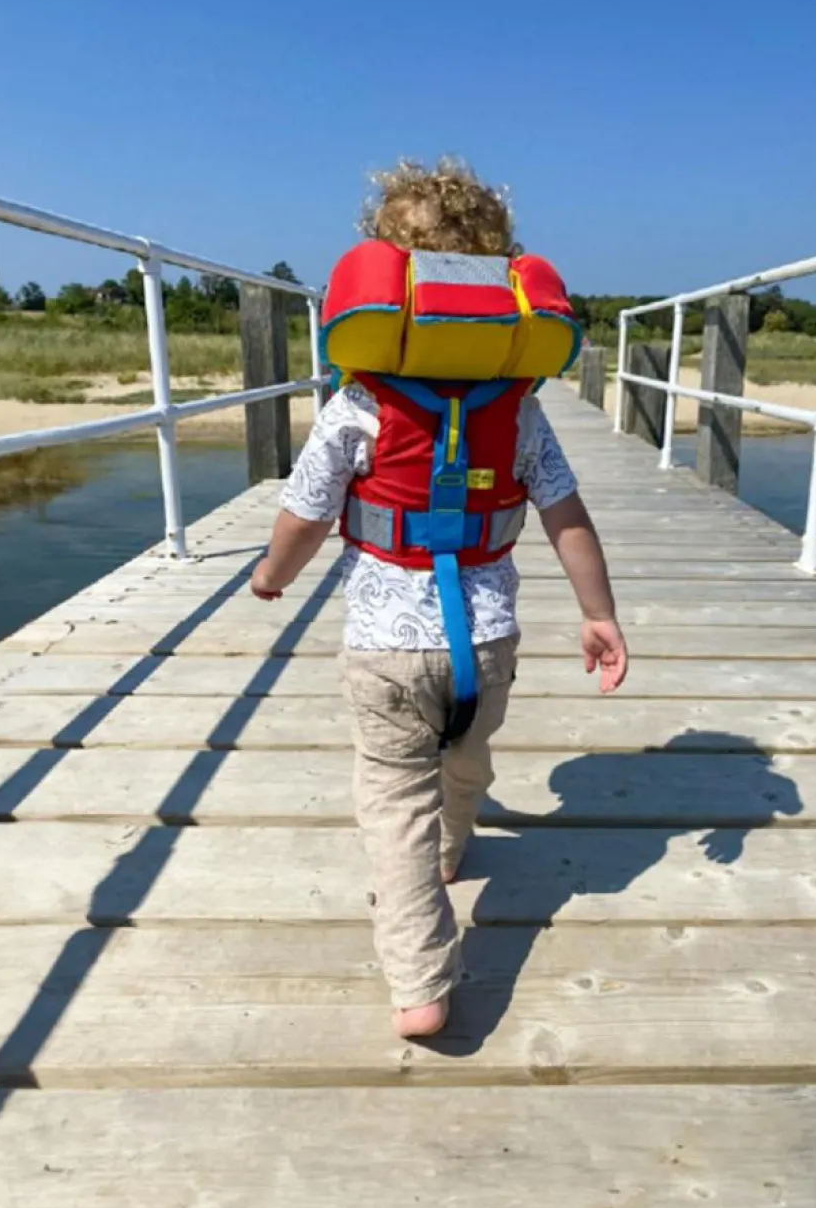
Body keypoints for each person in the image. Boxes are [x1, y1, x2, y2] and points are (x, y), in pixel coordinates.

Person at [250, 157, 627, 1039]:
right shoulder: (520, 409)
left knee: (393, 803)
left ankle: (421, 982)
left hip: (385, 650)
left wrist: (272, 576)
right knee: (466, 756)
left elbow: (304, 516)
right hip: (487, 643)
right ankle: (454, 849)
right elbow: (568, 517)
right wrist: (598, 615)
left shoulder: (359, 404)